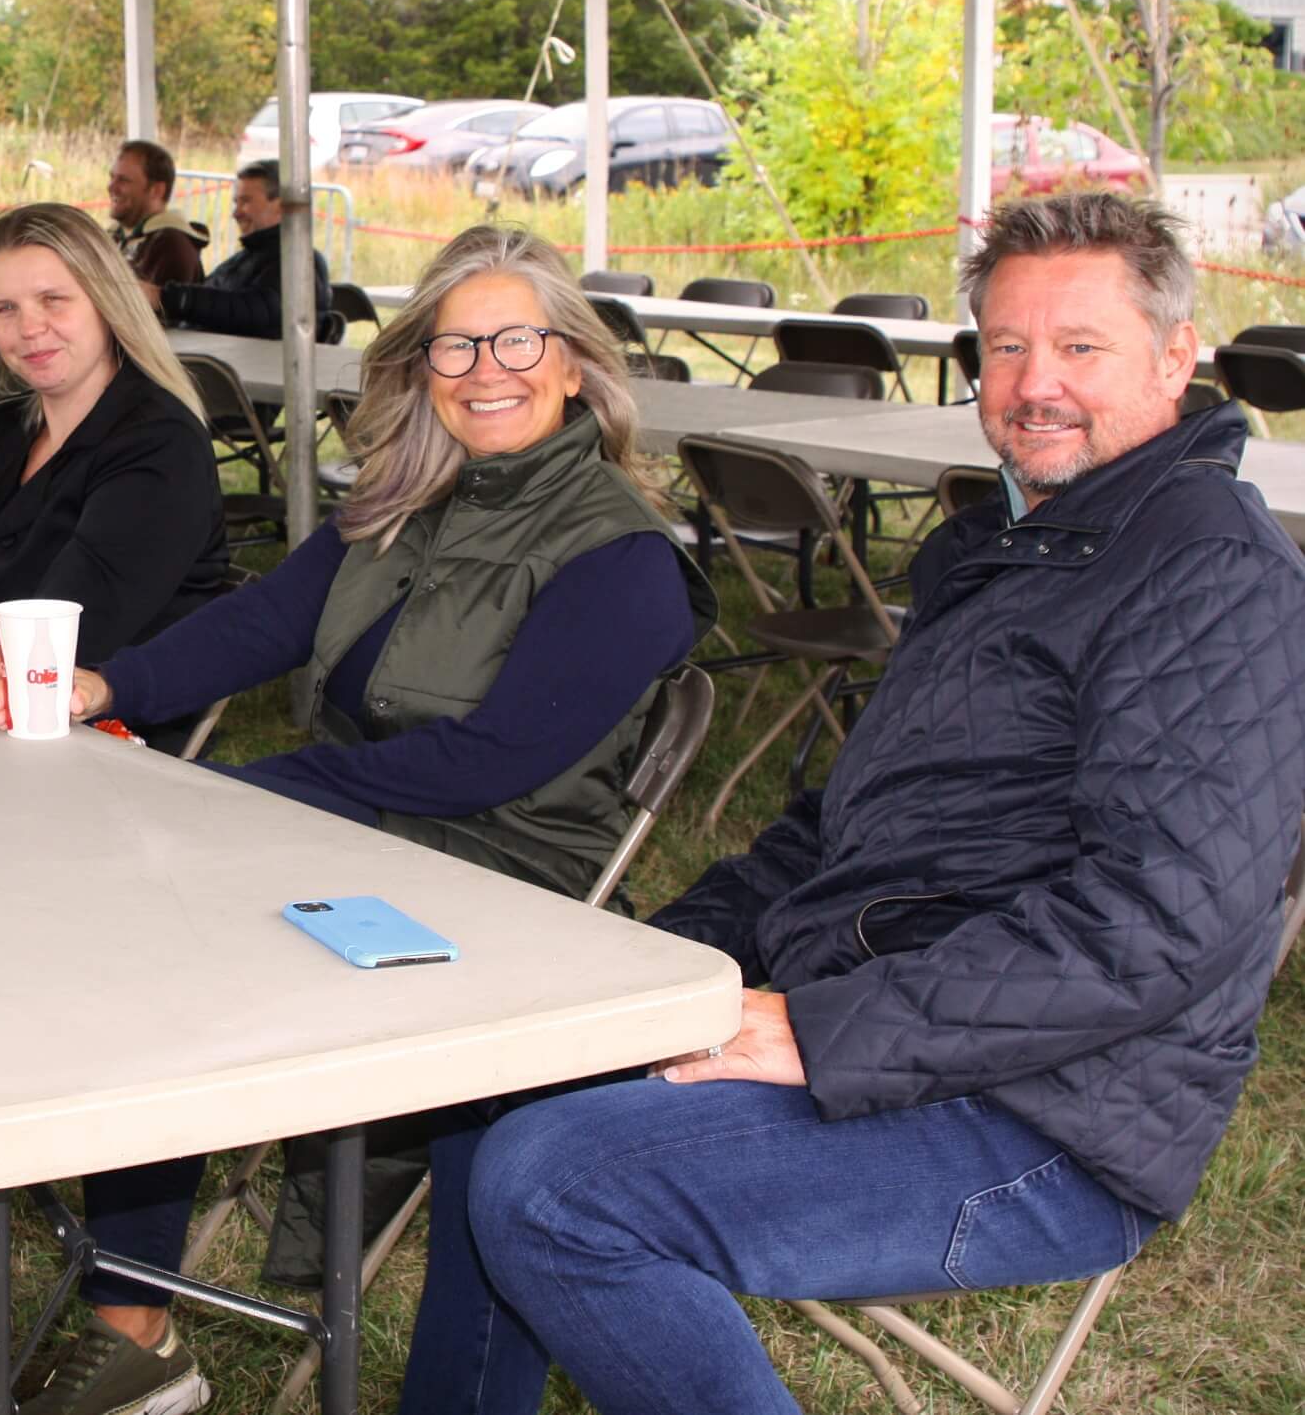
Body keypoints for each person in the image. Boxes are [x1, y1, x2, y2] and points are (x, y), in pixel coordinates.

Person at [389, 193, 1305, 1415]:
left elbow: (1152, 924)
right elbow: (839, 827)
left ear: (1176, 353)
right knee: (502, 1087)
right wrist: (642, 960)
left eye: (1080, 347)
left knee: (556, 1186)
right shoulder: (1016, 547)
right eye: (1008, 347)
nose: (1037, 383)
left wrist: (821, 1031)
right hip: (903, 1026)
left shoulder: (1210, 575)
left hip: (1053, 1119)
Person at [0, 224, 714, 1415]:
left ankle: (137, 1316)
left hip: (505, 882)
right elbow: (257, 625)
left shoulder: (622, 553)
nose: (485, 367)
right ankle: (133, 1322)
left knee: (165, 933)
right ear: (422, 370)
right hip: (350, 835)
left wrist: (245, 791)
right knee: (139, 937)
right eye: (454, 346)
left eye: (516, 339)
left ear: (577, 363)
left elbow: (496, 761)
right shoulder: (400, 504)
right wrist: (104, 688)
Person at [0, 202, 231, 747]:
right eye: (5, 309)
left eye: (53, 301)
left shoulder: (160, 449)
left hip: (80, 734)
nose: (30, 329)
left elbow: (63, 644)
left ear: (106, 302)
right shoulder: (1, 428)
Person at [156, 160, 340, 343]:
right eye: (236, 203)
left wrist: (168, 297)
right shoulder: (247, 257)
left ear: (281, 206)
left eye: (245, 201)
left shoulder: (299, 261)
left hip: (249, 368)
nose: (236, 213)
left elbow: (259, 313)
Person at [107, 140, 207, 294]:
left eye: (123, 180)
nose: (111, 186)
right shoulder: (113, 236)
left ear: (157, 190)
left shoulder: (172, 246)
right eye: (112, 177)